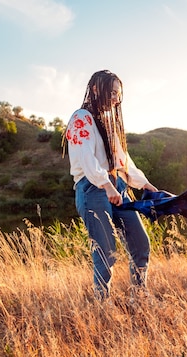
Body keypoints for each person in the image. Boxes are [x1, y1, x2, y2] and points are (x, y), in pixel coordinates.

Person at [64, 70, 158, 300]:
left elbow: (122, 160)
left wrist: (144, 184)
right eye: (112, 92)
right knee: (105, 252)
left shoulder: (108, 123)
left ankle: (139, 296)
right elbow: (87, 160)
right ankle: (102, 304)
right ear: (96, 89)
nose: (116, 98)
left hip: (117, 187)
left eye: (118, 93)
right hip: (93, 189)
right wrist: (106, 186)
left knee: (140, 243)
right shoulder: (81, 118)